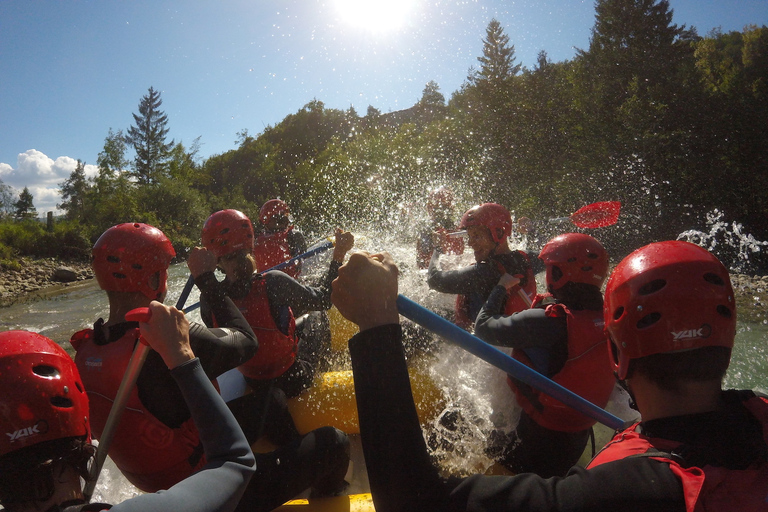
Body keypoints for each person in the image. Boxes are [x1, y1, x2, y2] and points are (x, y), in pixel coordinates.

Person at [331, 243, 768, 512]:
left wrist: (376, 323)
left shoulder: (622, 495)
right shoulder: (758, 415)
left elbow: (412, 503)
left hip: (535, 441)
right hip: (570, 441)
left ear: (617, 352)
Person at [73, 222, 348, 511]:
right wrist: (205, 279)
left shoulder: (87, 348)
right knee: (335, 443)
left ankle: (289, 455)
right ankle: (321, 493)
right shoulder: (164, 338)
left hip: (161, 484)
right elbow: (246, 342)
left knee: (273, 401)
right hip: (212, 489)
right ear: (155, 279)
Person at [0, 301, 255, 512]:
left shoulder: (88, 350)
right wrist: (180, 350)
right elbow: (235, 460)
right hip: (196, 474)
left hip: (148, 479)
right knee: (273, 401)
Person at [200, 210, 352, 485]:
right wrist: (338, 255)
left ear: (216, 258)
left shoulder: (209, 297)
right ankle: (326, 366)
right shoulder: (274, 282)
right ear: (251, 243)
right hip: (293, 376)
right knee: (317, 317)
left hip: (253, 380)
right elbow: (323, 299)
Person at [473, 233, 616, 477]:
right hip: (577, 437)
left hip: (536, 439)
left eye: (551, 268)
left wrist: (500, 288)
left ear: (559, 273)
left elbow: (483, 327)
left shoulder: (546, 321)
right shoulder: (611, 317)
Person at [427, 203, 537, 329]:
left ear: (499, 233)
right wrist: (530, 231)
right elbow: (552, 255)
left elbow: (434, 279)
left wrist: (438, 248)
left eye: (477, 236)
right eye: (469, 236)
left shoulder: (484, 272)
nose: (470, 243)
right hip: (514, 338)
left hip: (483, 345)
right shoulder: (526, 259)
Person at [253, 198, 307, 278]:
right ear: (267, 222)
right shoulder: (294, 235)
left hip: (266, 285)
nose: (284, 222)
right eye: (278, 219)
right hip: (291, 283)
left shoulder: (256, 242)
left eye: (284, 219)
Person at [416, 186, 464, 269]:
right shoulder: (425, 233)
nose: (441, 212)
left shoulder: (458, 230)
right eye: (436, 208)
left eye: (445, 207)